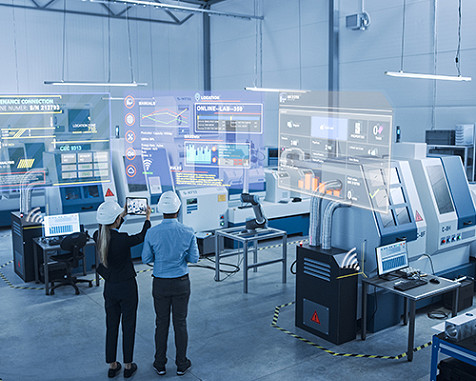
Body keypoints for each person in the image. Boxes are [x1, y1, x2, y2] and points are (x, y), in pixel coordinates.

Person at [141, 191, 199, 376]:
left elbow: (145, 258)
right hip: (181, 283)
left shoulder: (152, 232)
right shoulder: (188, 231)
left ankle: (160, 363)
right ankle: (182, 363)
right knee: (180, 323)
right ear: (178, 209)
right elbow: (194, 258)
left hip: (160, 283)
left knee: (161, 323)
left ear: (160, 210)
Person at [94, 200, 151, 378]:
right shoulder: (123, 239)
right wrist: (147, 218)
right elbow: (142, 236)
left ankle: (112, 365)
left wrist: (122, 214)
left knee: (112, 326)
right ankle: (128, 365)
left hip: (110, 288)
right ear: (117, 220)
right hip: (127, 287)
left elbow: (111, 227)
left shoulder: (98, 235)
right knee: (128, 324)